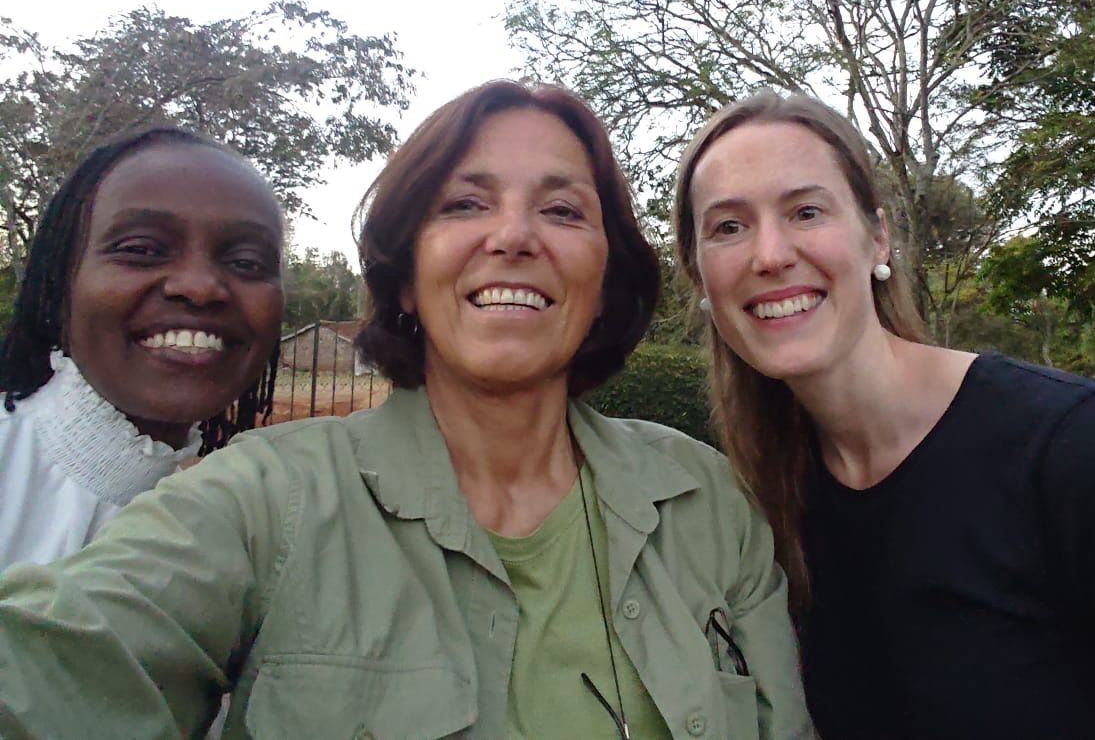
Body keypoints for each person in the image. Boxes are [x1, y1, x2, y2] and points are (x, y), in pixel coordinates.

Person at [0, 80, 812, 740]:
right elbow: (54, 664)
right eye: (464, 204)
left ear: (606, 283)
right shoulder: (262, 501)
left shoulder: (705, 502)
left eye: (563, 210)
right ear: (400, 278)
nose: (514, 235)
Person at [672, 89, 1095, 739]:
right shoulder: (764, 505)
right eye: (729, 227)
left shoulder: (1091, 454)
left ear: (877, 238)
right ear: (701, 276)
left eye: (805, 211)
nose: (769, 254)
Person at [0, 126, 284, 570]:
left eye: (246, 262)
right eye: (141, 249)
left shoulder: (239, 535)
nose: (199, 287)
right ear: (60, 283)